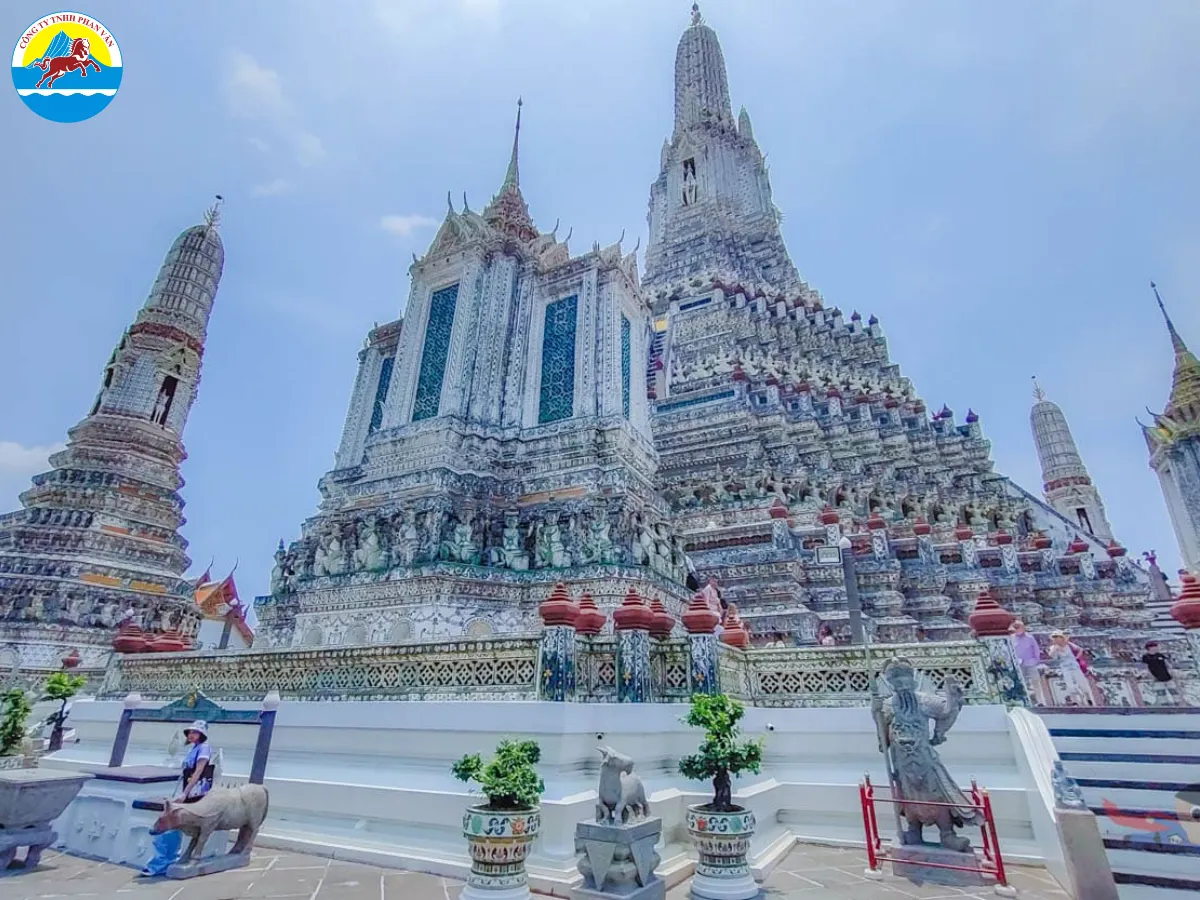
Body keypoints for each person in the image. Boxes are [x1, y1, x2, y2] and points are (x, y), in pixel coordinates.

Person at [141, 720, 215, 876]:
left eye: (195, 732)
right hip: (183, 789)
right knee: (169, 827)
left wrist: (185, 794)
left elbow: (199, 772)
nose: (191, 735)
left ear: (202, 734)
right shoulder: (194, 749)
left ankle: (161, 863)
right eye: (190, 732)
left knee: (170, 825)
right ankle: (163, 861)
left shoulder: (204, 748)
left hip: (192, 793)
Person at [1047, 632, 1093, 707]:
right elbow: (1051, 655)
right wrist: (1055, 650)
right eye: (1054, 638)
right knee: (1070, 685)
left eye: (1057, 637)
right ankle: (1075, 701)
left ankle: (1088, 698)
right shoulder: (1054, 647)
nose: (1056, 639)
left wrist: (1077, 657)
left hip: (1075, 667)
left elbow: (1080, 649)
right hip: (1065, 668)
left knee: (1082, 683)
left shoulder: (1069, 645)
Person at [1009, 620, 1043, 705]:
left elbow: (1036, 649)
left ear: (1023, 628)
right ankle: (1025, 700)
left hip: (1031, 662)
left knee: (1035, 681)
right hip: (1019, 663)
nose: (1017, 629)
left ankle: (1040, 701)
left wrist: (1036, 660)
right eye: (1015, 628)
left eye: (1018, 627)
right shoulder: (1011, 638)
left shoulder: (1029, 637)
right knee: (1021, 682)